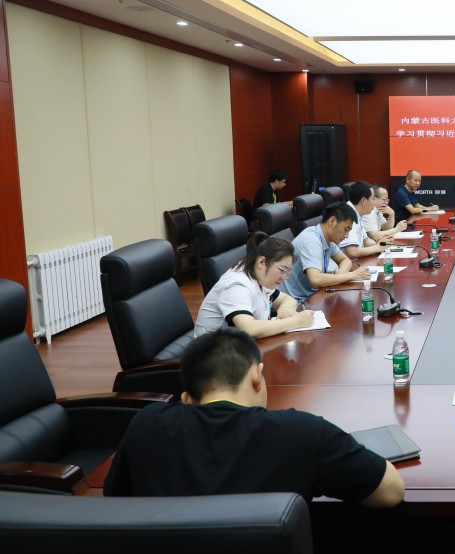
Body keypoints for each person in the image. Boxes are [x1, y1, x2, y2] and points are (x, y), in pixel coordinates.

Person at [105, 327, 405, 505]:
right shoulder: (302, 432)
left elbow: (116, 500)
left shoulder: (146, 424)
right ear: (256, 376)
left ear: (186, 399)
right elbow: (390, 492)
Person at [193, 232, 315, 339]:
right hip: (214, 352)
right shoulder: (237, 285)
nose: (283, 277)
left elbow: (287, 299)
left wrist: (285, 309)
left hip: (237, 347)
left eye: (287, 272)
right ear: (262, 262)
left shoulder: (259, 275)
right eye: (282, 270)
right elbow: (249, 329)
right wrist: (296, 322)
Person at [280, 202, 371, 302]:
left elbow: (345, 260)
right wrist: (352, 275)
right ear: (332, 221)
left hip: (311, 296)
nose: (347, 235)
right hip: (293, 301)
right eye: (346, 229)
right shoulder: (311, 241)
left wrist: (341, 272)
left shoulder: (326, 239)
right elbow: (315, 280)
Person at [340, 181, 386, 260]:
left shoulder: (357, 213)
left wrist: (379, 245)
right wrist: (377, 248)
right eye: (373, 199)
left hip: (357, 261)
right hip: (347, 265)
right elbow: (352, 252)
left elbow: (366, 240)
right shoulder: (348, 216)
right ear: (363, 201)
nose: (374, 203)